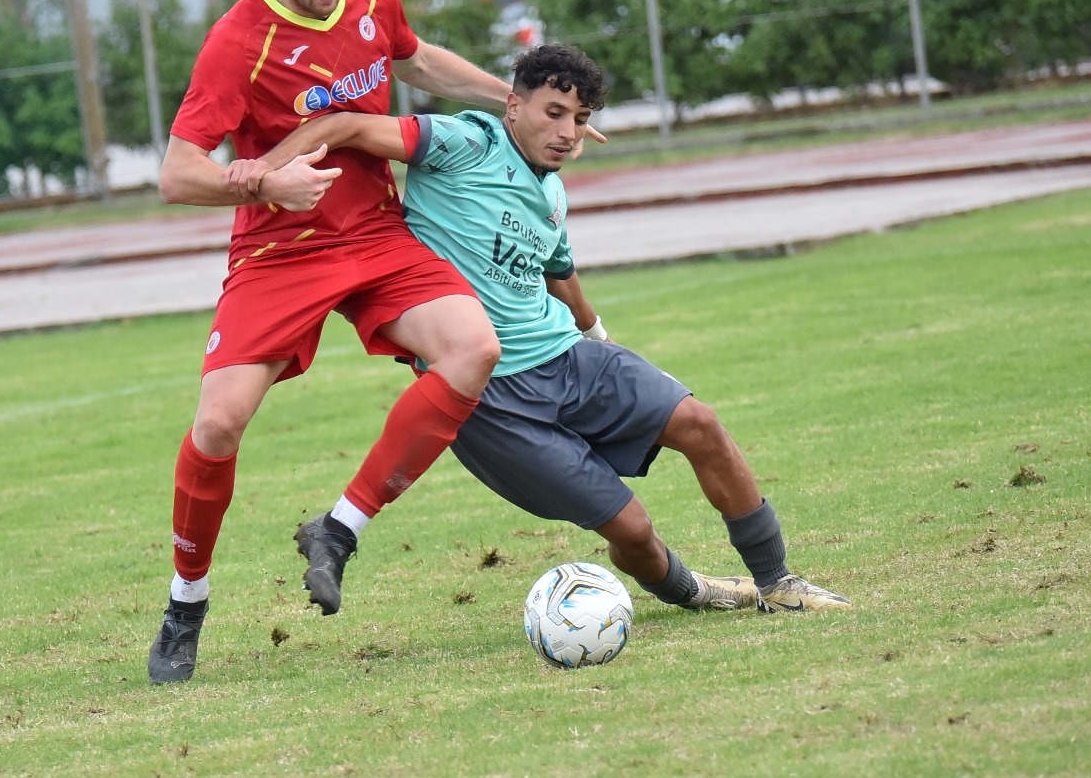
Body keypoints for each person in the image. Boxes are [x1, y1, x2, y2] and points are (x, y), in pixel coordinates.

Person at [227, 44, 851, 614]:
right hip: (490, 396)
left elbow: (560, 271)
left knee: (700, 423)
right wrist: (262, 176)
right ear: (513, 105)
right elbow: (345, 125)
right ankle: (697, 592)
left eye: (579, 119)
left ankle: (777, 582)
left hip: (570, 357)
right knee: (633, 532)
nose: (567, 132)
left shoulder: (553, 194)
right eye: (553, 113)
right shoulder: (464, 141)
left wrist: (599, 337)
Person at [147, 0, 541, 685]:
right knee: (218, 426)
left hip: (375, 235)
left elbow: (415, 59)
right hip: (281, 251)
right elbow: (178, 174)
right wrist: (265, 181)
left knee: (473, 348)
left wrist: (516, 101)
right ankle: (187, 602)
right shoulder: (238, 42)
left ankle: (339, 528)